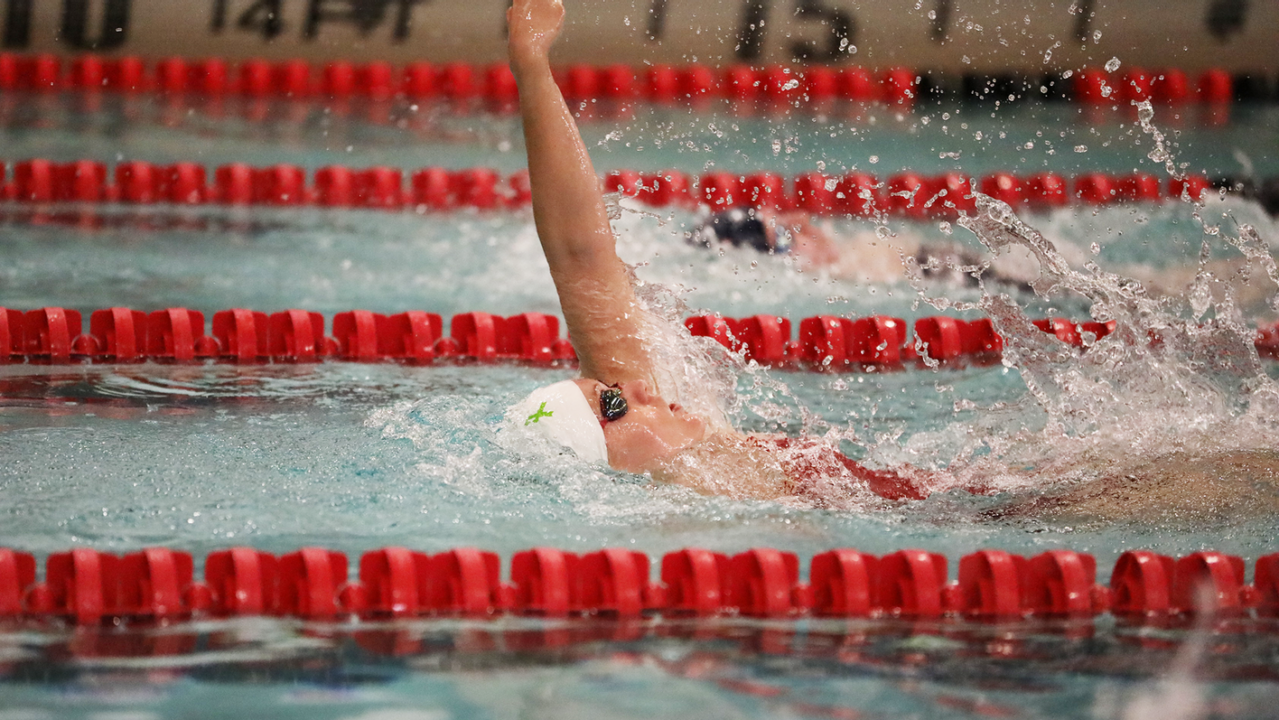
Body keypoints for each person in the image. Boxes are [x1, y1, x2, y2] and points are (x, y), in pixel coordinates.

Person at [504, 0, 934, 506]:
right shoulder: (705, 495)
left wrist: (531, 66)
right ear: (605, 466)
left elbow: (580, 256)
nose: (637, 389)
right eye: (614, 403)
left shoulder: (680, 453)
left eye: (613, 388)